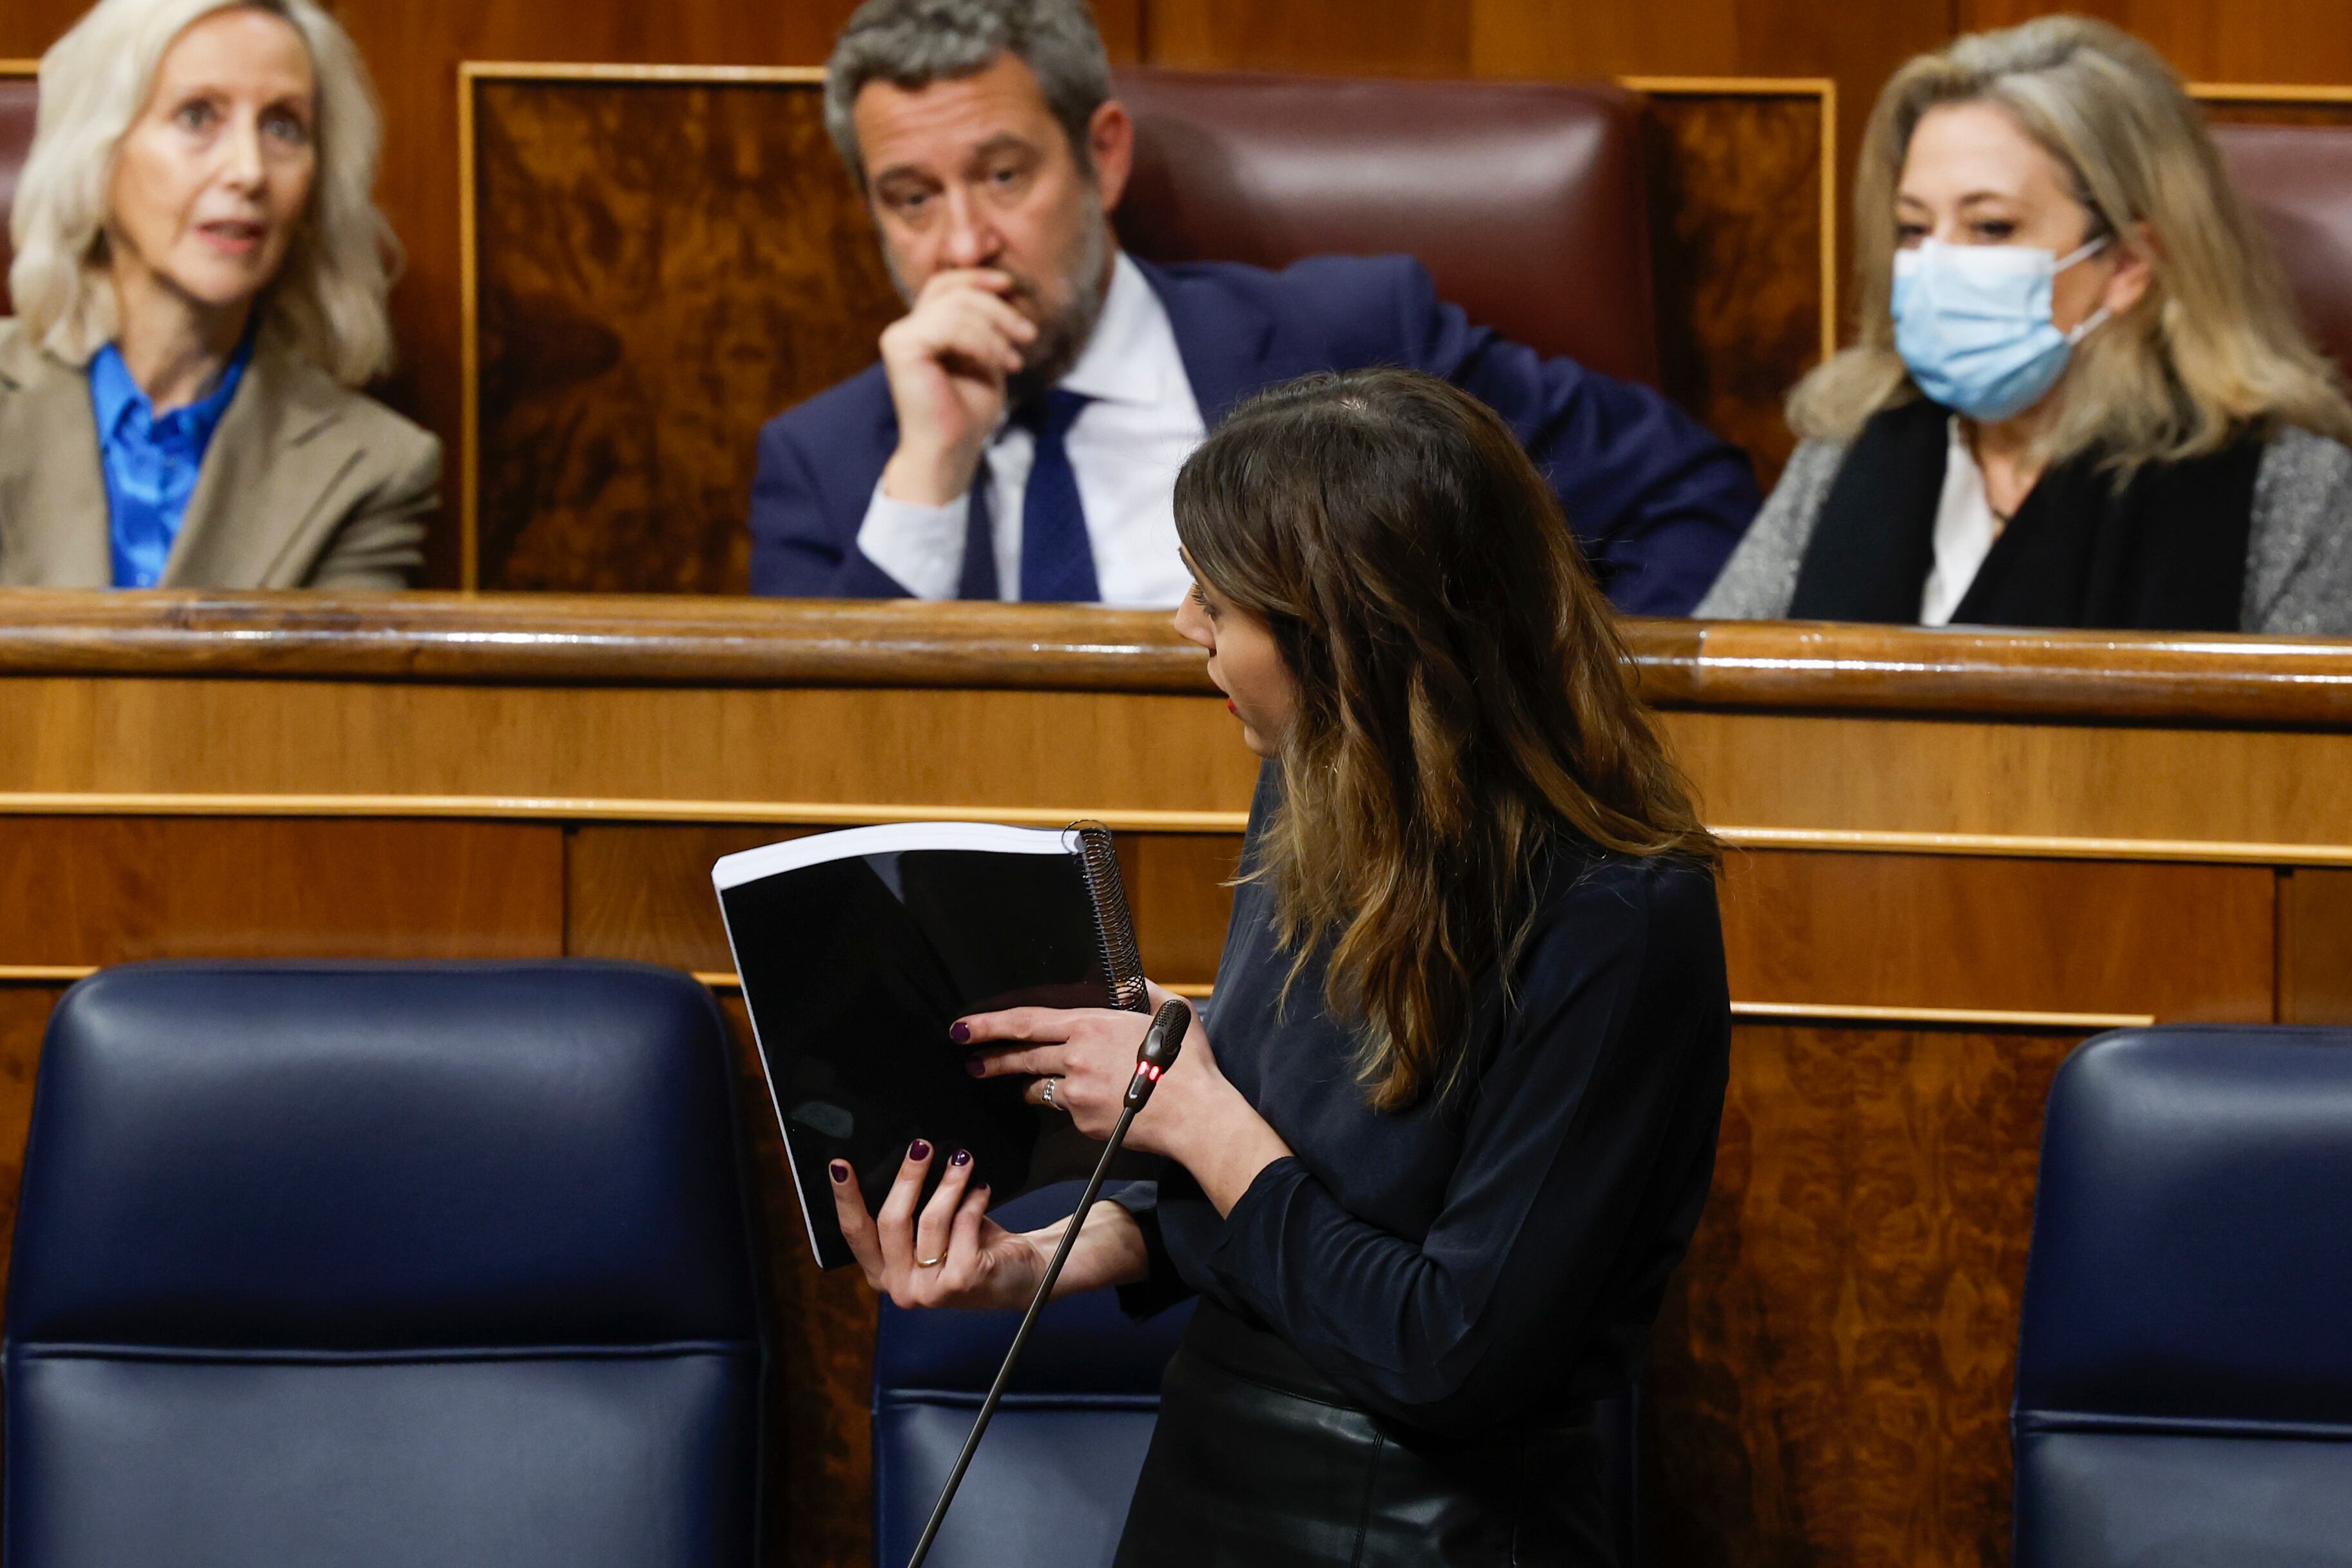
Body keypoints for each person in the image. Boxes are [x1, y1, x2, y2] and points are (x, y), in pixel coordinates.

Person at [829, 367, 1733, 1565]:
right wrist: (1038, 1260)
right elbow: (1283, 1203)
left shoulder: (1620, 916)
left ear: (1350, 629)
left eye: (1219, 600)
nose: (1182, 628)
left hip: (1435, 1524)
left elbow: (1449, 1347)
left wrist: (1193, 1114)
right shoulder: (1313, 789)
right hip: (1209, 1479)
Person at [750, 0, 1759, 615]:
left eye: (1004, 175)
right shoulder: (829, 463)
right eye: (912, 199)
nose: (964, 243)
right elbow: (809, 789)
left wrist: (1551, 735)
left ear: (1102, 155)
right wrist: (929, 475)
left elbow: (1682, 493)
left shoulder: (1355, 339)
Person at [1698, 17, 2352, 634]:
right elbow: (1714, 706)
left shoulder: (2286, 488)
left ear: (2128, 262)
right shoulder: (1849, 449)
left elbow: (2306, 752)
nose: (1937, 264)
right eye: (1914, 228)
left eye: (1991, 227)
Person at [1, 0, 432, 590]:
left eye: (283, 126)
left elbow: (327, 687)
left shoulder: (376, 467)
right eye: (197, 116)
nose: (249, 170)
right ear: (98, 155)